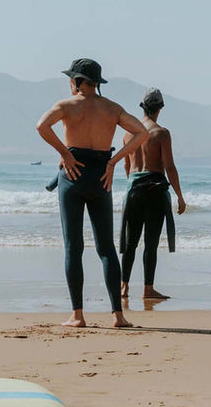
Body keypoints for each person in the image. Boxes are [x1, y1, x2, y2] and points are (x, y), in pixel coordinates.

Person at [36, 58, 148, 327]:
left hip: (73, 176)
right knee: (106, 248)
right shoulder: (112, 108)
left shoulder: (66, 105)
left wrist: (65, 153)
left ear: (76, 81)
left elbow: (41, 126)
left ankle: (77, 315)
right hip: (101, 177)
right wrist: (113, 162)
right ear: (97, 83)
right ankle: (118, 315)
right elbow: (141, 132)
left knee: (73, 247)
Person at [119, 88, 186, 301]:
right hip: (154, 191)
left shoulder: (129, 134)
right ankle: (148, 289)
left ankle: (123, 287)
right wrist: (180, 196)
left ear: (143, 108)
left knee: (130, 243)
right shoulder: (161, 133)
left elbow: (127, 167)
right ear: (160, 109)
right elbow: (169, 167)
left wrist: (134, 187)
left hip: (134, 191)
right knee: (150, 243)